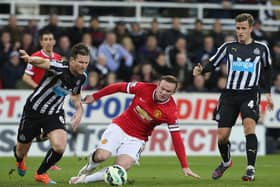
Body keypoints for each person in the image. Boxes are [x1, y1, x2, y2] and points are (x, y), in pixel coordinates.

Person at [68, 75, 200, 184]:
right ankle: (89, 167)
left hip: (137, 138)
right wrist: (96, 96)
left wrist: (184, 165)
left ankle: (82, 180)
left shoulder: (170, 111)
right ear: (158, 84)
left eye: (168, 91)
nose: (164, 92)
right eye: (162, 88)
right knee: (102, 156)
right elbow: (119, 87)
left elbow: (176, 138)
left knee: (121, 168)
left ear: (173, 93)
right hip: (120, 127)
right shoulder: (143, 88)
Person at [193, 13, 274, 181]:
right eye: (238, 28)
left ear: (251, 28)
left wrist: (268, 93)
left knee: (249, 126)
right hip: (229, 95)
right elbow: (212, 63)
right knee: (222, 136)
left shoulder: (261, 48)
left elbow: (267, 70)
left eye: (244, 28)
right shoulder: (228, 47)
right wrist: (201, 69)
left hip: (250, 93)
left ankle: (250, 168)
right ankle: (226, 162)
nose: (240, 32)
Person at [14, 43, 89, 184]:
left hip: (54, 113)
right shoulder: (60, 67)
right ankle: (20, 160)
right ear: (72, 60)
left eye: (86, 62)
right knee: (20, 150)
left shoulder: (82, 77)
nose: (83, 65)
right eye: (80, 62)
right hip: (33, 110)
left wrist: (79, 110)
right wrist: (30, 59)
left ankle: (40, 173)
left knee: (60, 147)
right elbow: (43, 62)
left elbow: (75, 96)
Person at [22, 30, 62, 171]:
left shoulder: (58, 57)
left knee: (53, 130)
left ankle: (50, 162)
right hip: (37, 102)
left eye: (51, 38)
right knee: (32, 132)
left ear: (54, 41)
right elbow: (26, 77)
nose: (48, 41)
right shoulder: (35, 57)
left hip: (53, 101)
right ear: (41, 42)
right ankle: (23, 156)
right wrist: (38, 89)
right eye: (45, 39)